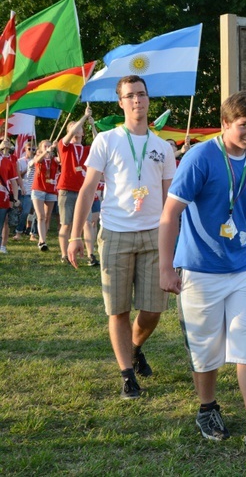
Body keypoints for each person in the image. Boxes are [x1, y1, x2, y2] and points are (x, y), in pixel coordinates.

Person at [158, 91, 246, 449]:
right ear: (225, 124)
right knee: (206, 348)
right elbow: (170, 215)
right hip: (200, 269)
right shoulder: (200, 158)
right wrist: (166, 268)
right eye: (244, 125)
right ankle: (207, 409)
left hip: (242, 268)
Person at [67, 75, 176, 400]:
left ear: (148, 99)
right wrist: (75, 236)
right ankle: (127, 374)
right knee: (118, 310)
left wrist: (178, 241)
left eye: (141, 94)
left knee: (154, 310)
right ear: (121, 102)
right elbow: (88, 189)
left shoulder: (162, 147)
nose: (137, 100)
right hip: (115, 234)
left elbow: (171, 198)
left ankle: (135, 347)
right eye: (129, 95)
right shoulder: (107, 141)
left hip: (154, 236)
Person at [56, 106, 97, 265]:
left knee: (87, 223)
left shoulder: (86, 149)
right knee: (66, 224)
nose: (77, 129)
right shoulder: (64, 146)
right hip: (66, 189)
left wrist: (92, 124)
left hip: (83, 192)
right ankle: (64, 254)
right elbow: (69, 135)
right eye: (73, 128)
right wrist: (84, 116)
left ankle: (91, 255)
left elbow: (99, 143)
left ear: (83, 133)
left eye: (80, 128)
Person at [29, 140, 59, 252]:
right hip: (38, 190)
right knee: (40, 216)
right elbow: (37, 160)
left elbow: (61, 160)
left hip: (51, 190)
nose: (47, 147)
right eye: (45, 146)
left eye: (49, 145)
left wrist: (57, 147)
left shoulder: (53, 159)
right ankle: (42, 241)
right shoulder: (38, 157)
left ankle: (43, 239)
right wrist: (45, 151)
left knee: (47, 217)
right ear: (40, 148)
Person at [0, 139, 21, 253]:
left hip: (3, 195)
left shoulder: (8, 161)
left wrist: (16, 198)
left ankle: (2, 245)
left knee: (3, 221)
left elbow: (14, 181)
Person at [13, 142, 35, 242]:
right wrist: (28, 168)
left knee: (34, 213)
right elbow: (18, 176)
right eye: (29, 149)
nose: (31, 151)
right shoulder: (20, 161)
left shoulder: (38, 160)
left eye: (33, 149)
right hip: (24, 189)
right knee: (25, 211)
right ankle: (18, 231)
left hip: (35, 190)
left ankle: (32, 234)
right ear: (25, 149)